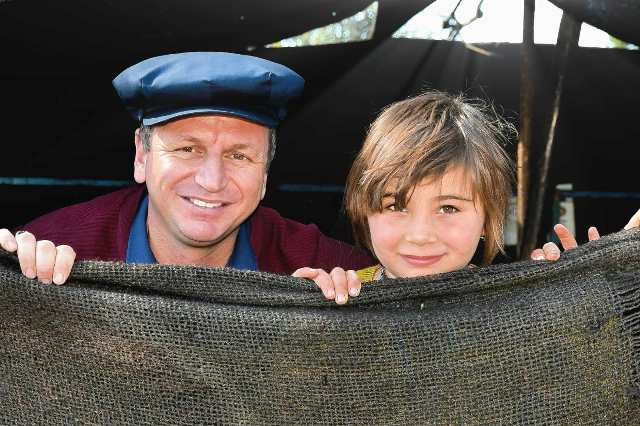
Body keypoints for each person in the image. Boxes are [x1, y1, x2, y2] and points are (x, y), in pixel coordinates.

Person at [0, 52, 371, 285]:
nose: (211, 181)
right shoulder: (58, 249)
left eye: (239, 156)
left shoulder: (316, 264)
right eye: (187, 148)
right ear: (141, 156)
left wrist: (348, 301)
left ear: (266, 175)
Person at [295, 92, 640, 302]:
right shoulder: (345, 297)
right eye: (395, 205)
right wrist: (298, 314)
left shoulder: (511, 304)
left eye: (448, 207)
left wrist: (583, 299)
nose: (419, 234)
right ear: (364, 211)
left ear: (489, 220)